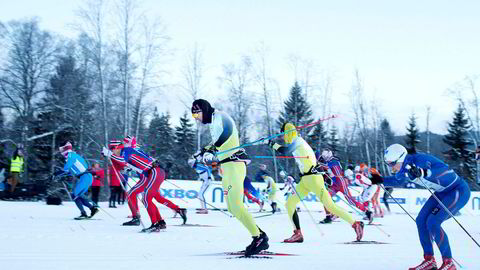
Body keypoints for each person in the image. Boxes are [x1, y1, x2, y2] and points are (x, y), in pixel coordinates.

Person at [191, 98, 269, 256]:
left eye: (196, 114)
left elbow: (226, 134)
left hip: (234, 165)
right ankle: (259, 236)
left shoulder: (220, 116)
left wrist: (211, 151)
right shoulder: (213, 123)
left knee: (237, 205)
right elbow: (218, 146)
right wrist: (207, 152)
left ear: (203, 109)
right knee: (233, 208)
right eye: (193, 116)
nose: (196, 118)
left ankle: (259, 238)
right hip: (226, 168)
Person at [268, 123, 364, 243]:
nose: (283, 137)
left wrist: (272, 144)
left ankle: (356, 224)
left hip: (314, 179)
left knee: (330, 207)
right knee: (289, 204)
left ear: (288, 132)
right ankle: (297, 234)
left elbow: (285, 150)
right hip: (305, 181)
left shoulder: (298, 141)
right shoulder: (295, 143)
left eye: (283, 134)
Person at [383, 144, 470, 270]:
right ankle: (429, 260)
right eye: (388, 164)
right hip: (442, 192)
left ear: (401, 158)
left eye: (392, 163)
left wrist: (424, 172)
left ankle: (449, 263)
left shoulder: (420, 159)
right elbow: (397, 181)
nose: (391, 167)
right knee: (421, 220)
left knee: (433, 222)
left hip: (458, 190)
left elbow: (445, 171)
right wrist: (376, 179)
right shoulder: (404, 170)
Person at [103, 136, 187, 232]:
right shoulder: (125, 152)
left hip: (153, 173)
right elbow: (123, 165)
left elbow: (123, 161)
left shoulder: (127, 150)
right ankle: (162, 221)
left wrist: (110, 155)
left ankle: (152, 223)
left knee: (144, 198)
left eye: (112, 149)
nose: (112, 151)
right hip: (152, 173)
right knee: (154, 198)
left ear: (117, 147)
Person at [316, 149, 373, 224]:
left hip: (341, 182)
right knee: (325, 197)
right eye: (324, 157)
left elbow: (326, 166)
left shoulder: (334, 160)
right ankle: (329, 216)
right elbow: (322, 168)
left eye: (325, 157)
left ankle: (367, 212)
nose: (324, 158)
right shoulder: (327, 161)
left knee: (350, 201)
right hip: (334, 184)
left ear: (329, 155)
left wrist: (316, 162)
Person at [57, 142, 98, 220]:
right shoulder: (71, 156)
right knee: (76, 195)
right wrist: (64, 176)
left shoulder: (71, 156)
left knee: (76, 194)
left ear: (66, 149)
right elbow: (70, 171)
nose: (61, 152)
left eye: (62, 149)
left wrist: (58, 173)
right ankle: (90, 210)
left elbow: (66, 169)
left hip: (85, 177)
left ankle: (90, 209)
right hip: (85, 177)